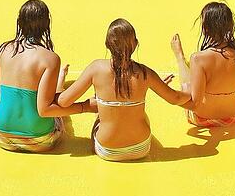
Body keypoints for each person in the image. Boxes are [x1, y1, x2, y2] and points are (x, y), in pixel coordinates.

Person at [58, 19, 191, 161]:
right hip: (141, 147)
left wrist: (92, 104)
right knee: (138, 112)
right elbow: (175, 98)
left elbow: (63, 101)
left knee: (101, 112)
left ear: (107, 45)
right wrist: (190, 93)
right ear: (135, 44)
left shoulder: (96, 69)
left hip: (107, 150)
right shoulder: (145, 74)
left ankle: (65, 80)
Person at [0, 0, 95, 153]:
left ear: (19, 22)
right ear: (46, 24)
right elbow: (45, 110)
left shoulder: (3, 50)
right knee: (58, 107)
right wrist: (85, 107)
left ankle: (59, 79)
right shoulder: (50, 59)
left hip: (2, 136)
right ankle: (59, 81)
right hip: (39, 140)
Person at [170, 2, 235, 127]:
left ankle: (179, 56)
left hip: (202, 119)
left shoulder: (198, 59)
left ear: (205, 28)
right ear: (230, 26)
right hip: (232, 117)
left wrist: (172, 98)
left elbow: (195, 103)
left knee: (187, 85)